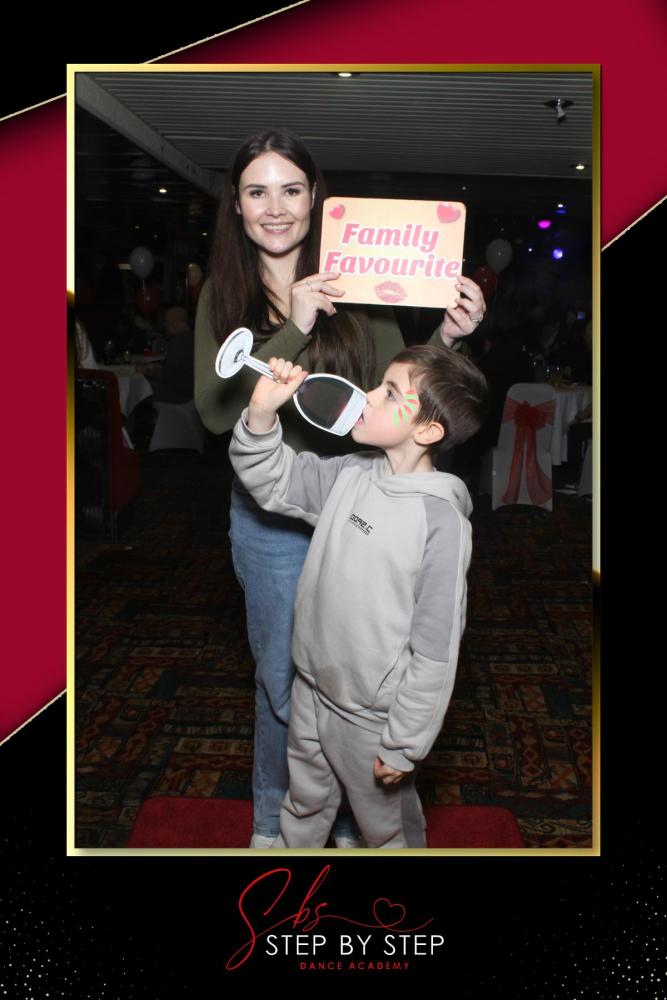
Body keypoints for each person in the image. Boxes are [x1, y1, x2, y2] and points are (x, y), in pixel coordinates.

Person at [194, 129, 487, 848]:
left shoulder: (355, 277)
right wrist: (291, 328)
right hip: (271, 507)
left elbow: (399, 389)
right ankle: (277, 823)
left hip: (364, 498)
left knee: (363, 671)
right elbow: (215, 410)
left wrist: (449, 338)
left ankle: (359, 819)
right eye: (257, 191)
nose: (275, 207)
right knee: (283, 680)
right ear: (236, 205)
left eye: (290, 189)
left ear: (314, 197)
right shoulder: (222, 294)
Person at [229, 344, 488, 847]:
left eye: (389, 393)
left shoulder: (441, 523)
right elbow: (275, 480)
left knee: (387, 829)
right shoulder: (351, 473)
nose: (366, 396)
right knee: (302, 806)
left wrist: (404, 743)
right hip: (311, 688)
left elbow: (435, 649)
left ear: (427, 432)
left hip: (371, 717)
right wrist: (261, 412)